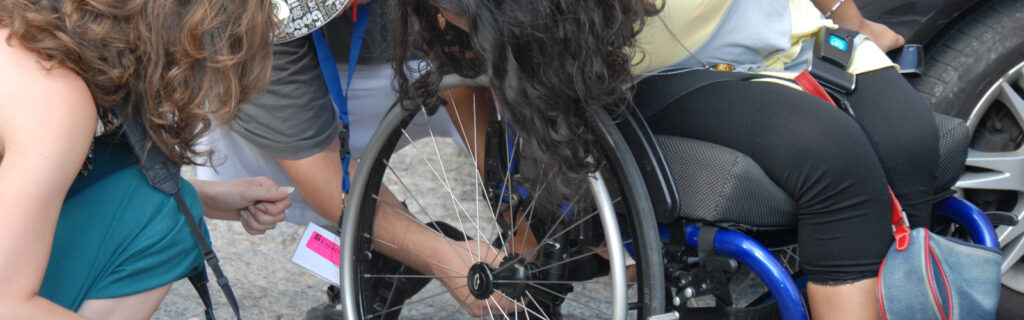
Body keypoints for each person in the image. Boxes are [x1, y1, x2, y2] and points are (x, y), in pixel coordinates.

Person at [392, 0, 957, 319]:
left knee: (911, 145)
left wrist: (845, 14)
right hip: (659, 67)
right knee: (836, 164)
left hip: (781, 29)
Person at [0, 0, 293, 317]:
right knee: (166, 219)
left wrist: (202, 195)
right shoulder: (57, 98)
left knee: (167, 198)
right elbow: (7, 304)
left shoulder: (25, 37)